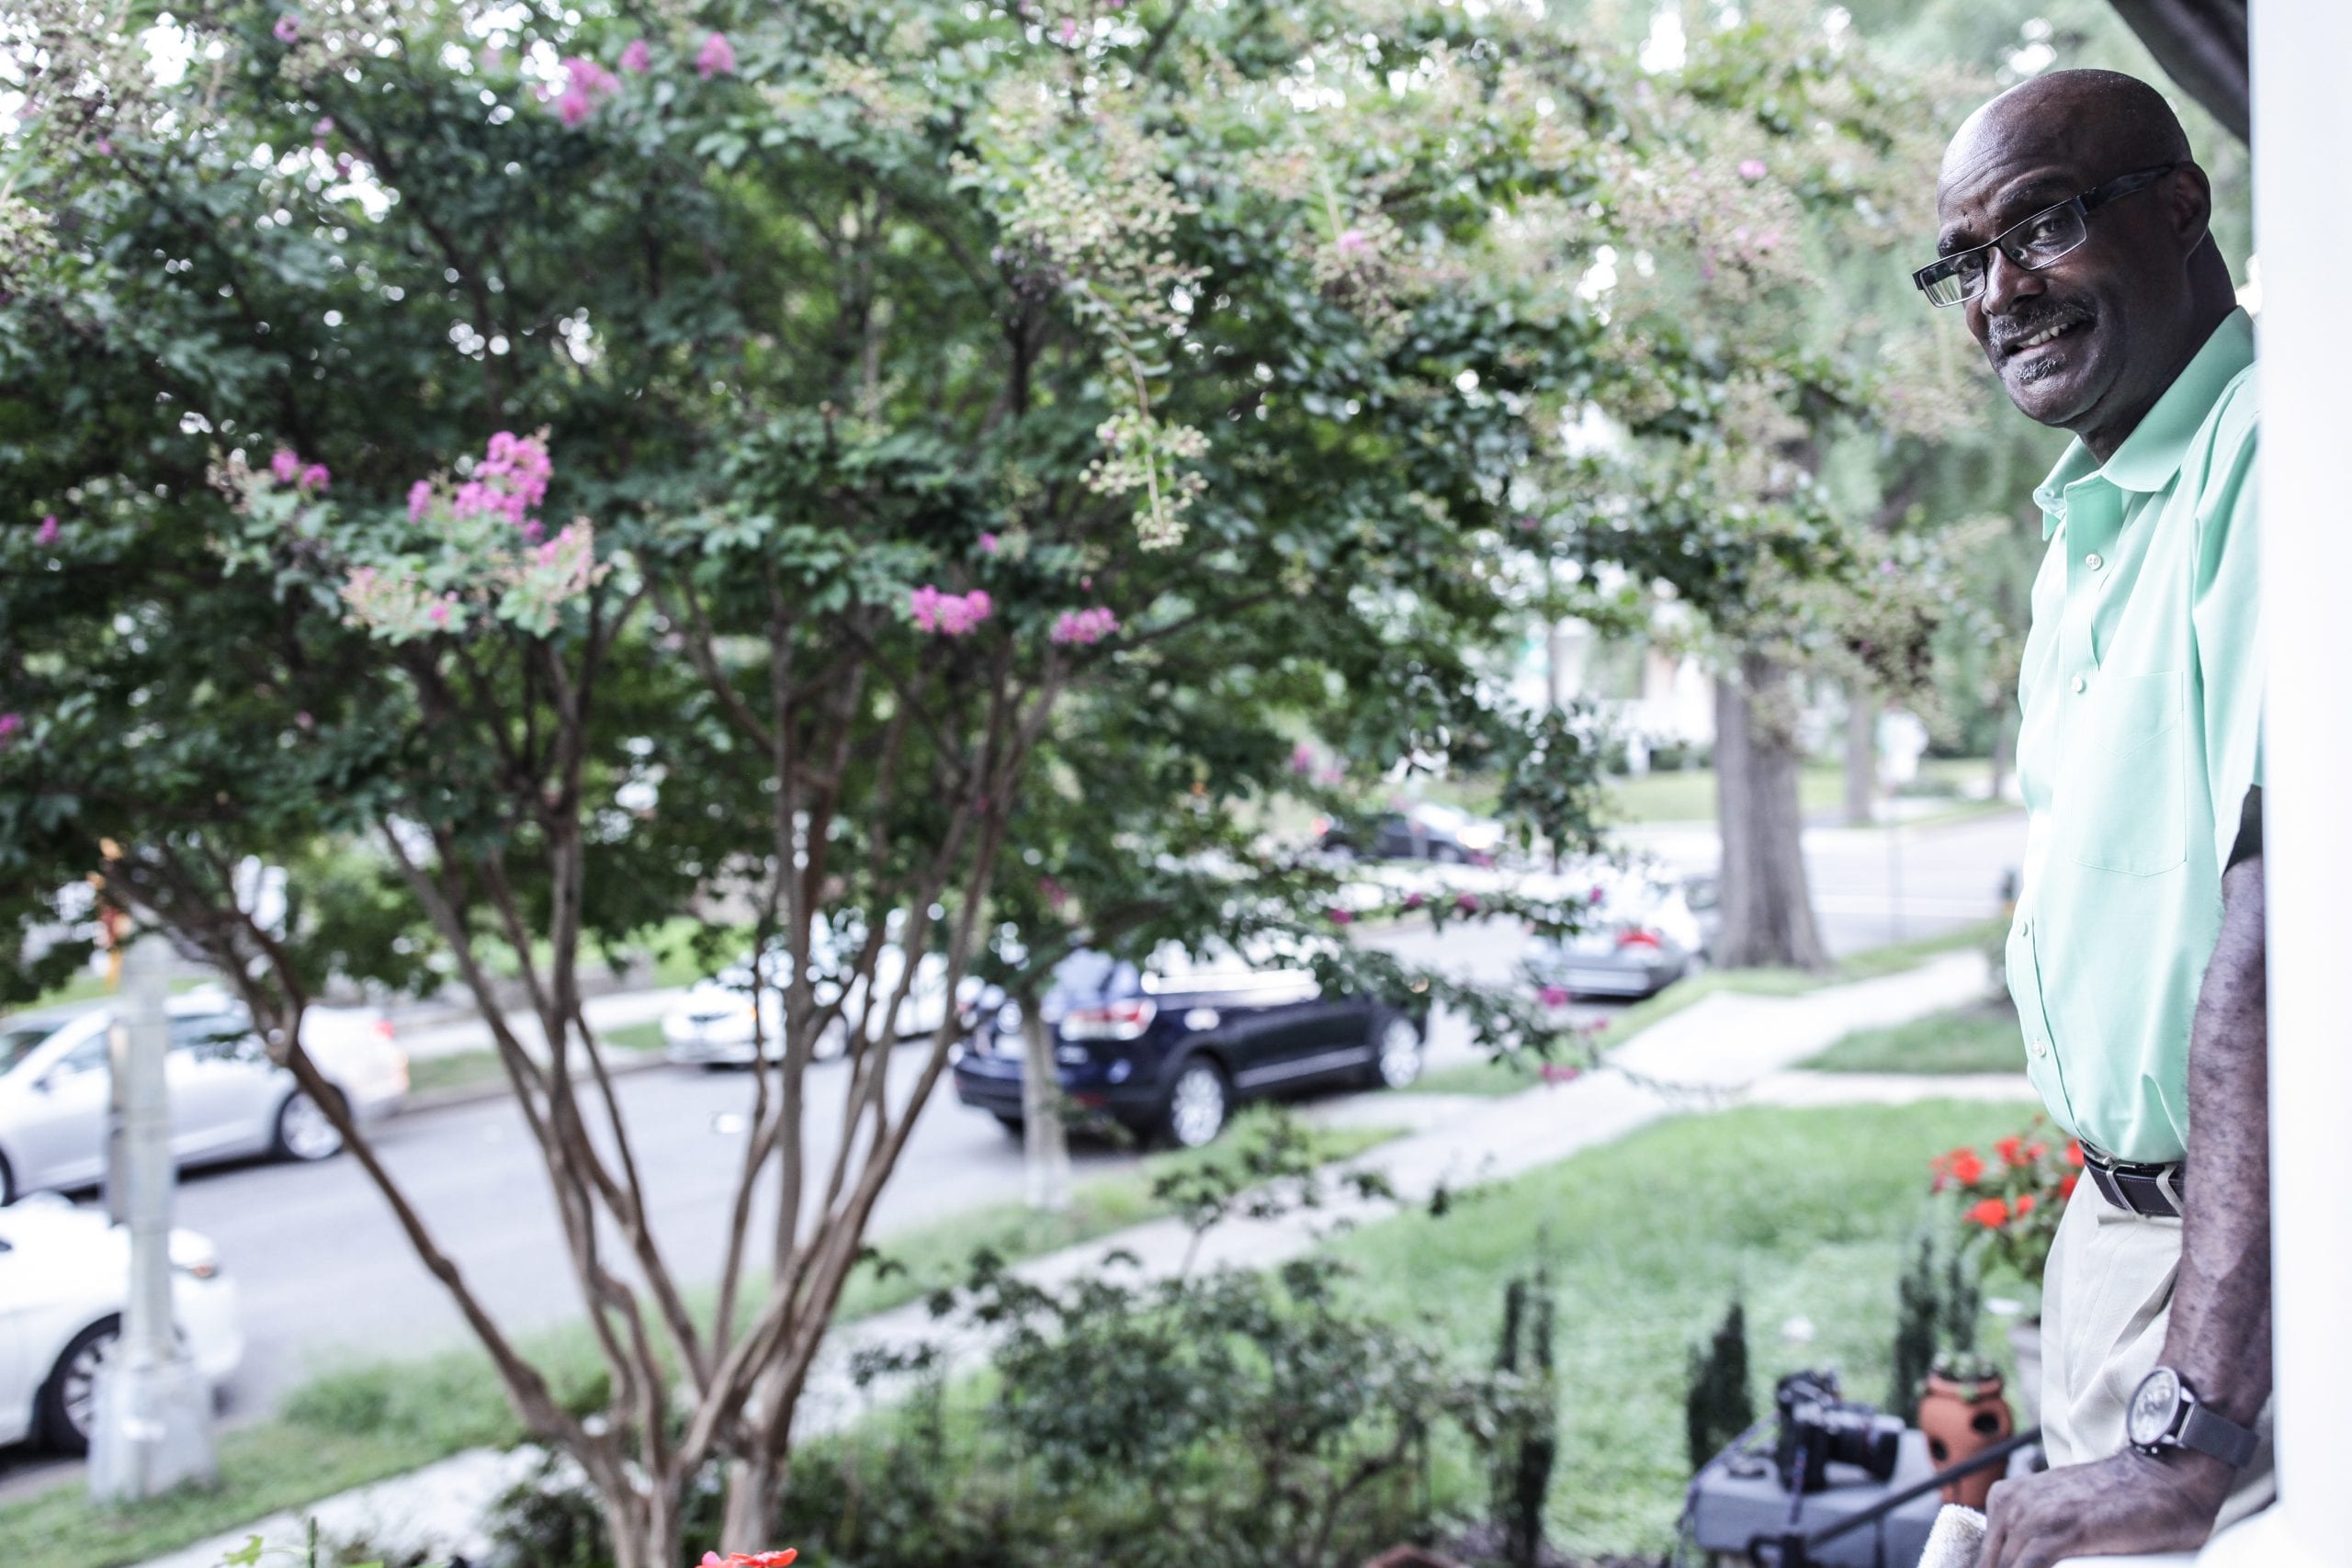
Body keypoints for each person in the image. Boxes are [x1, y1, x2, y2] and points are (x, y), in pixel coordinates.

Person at [1916, 69, 2270, 1568]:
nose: (2002, 293)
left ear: (2179, 209)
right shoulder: (2094, 512)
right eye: (1966, 262)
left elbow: (2282, 932)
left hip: (2235, 1279)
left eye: (2042, 226)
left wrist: (2194, 1424)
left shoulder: (2272, 452)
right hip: (2117, 1245)